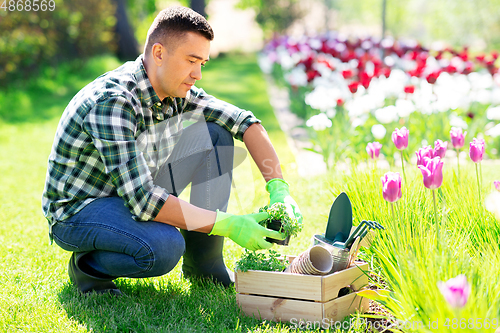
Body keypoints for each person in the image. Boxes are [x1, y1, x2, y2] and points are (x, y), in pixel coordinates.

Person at [42, 6, 302, 295]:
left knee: (214, 135)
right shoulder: (113, 101)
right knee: (165, 246)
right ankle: (88, 268)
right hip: (81, 210)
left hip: (131, 190)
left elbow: (245, 123)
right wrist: (230, 225)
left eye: (203, 63)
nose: (198, 74)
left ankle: (205, 265)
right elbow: (143, 201)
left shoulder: (176, 90)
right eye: (192, 60)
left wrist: (279, 188)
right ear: (159, 53)